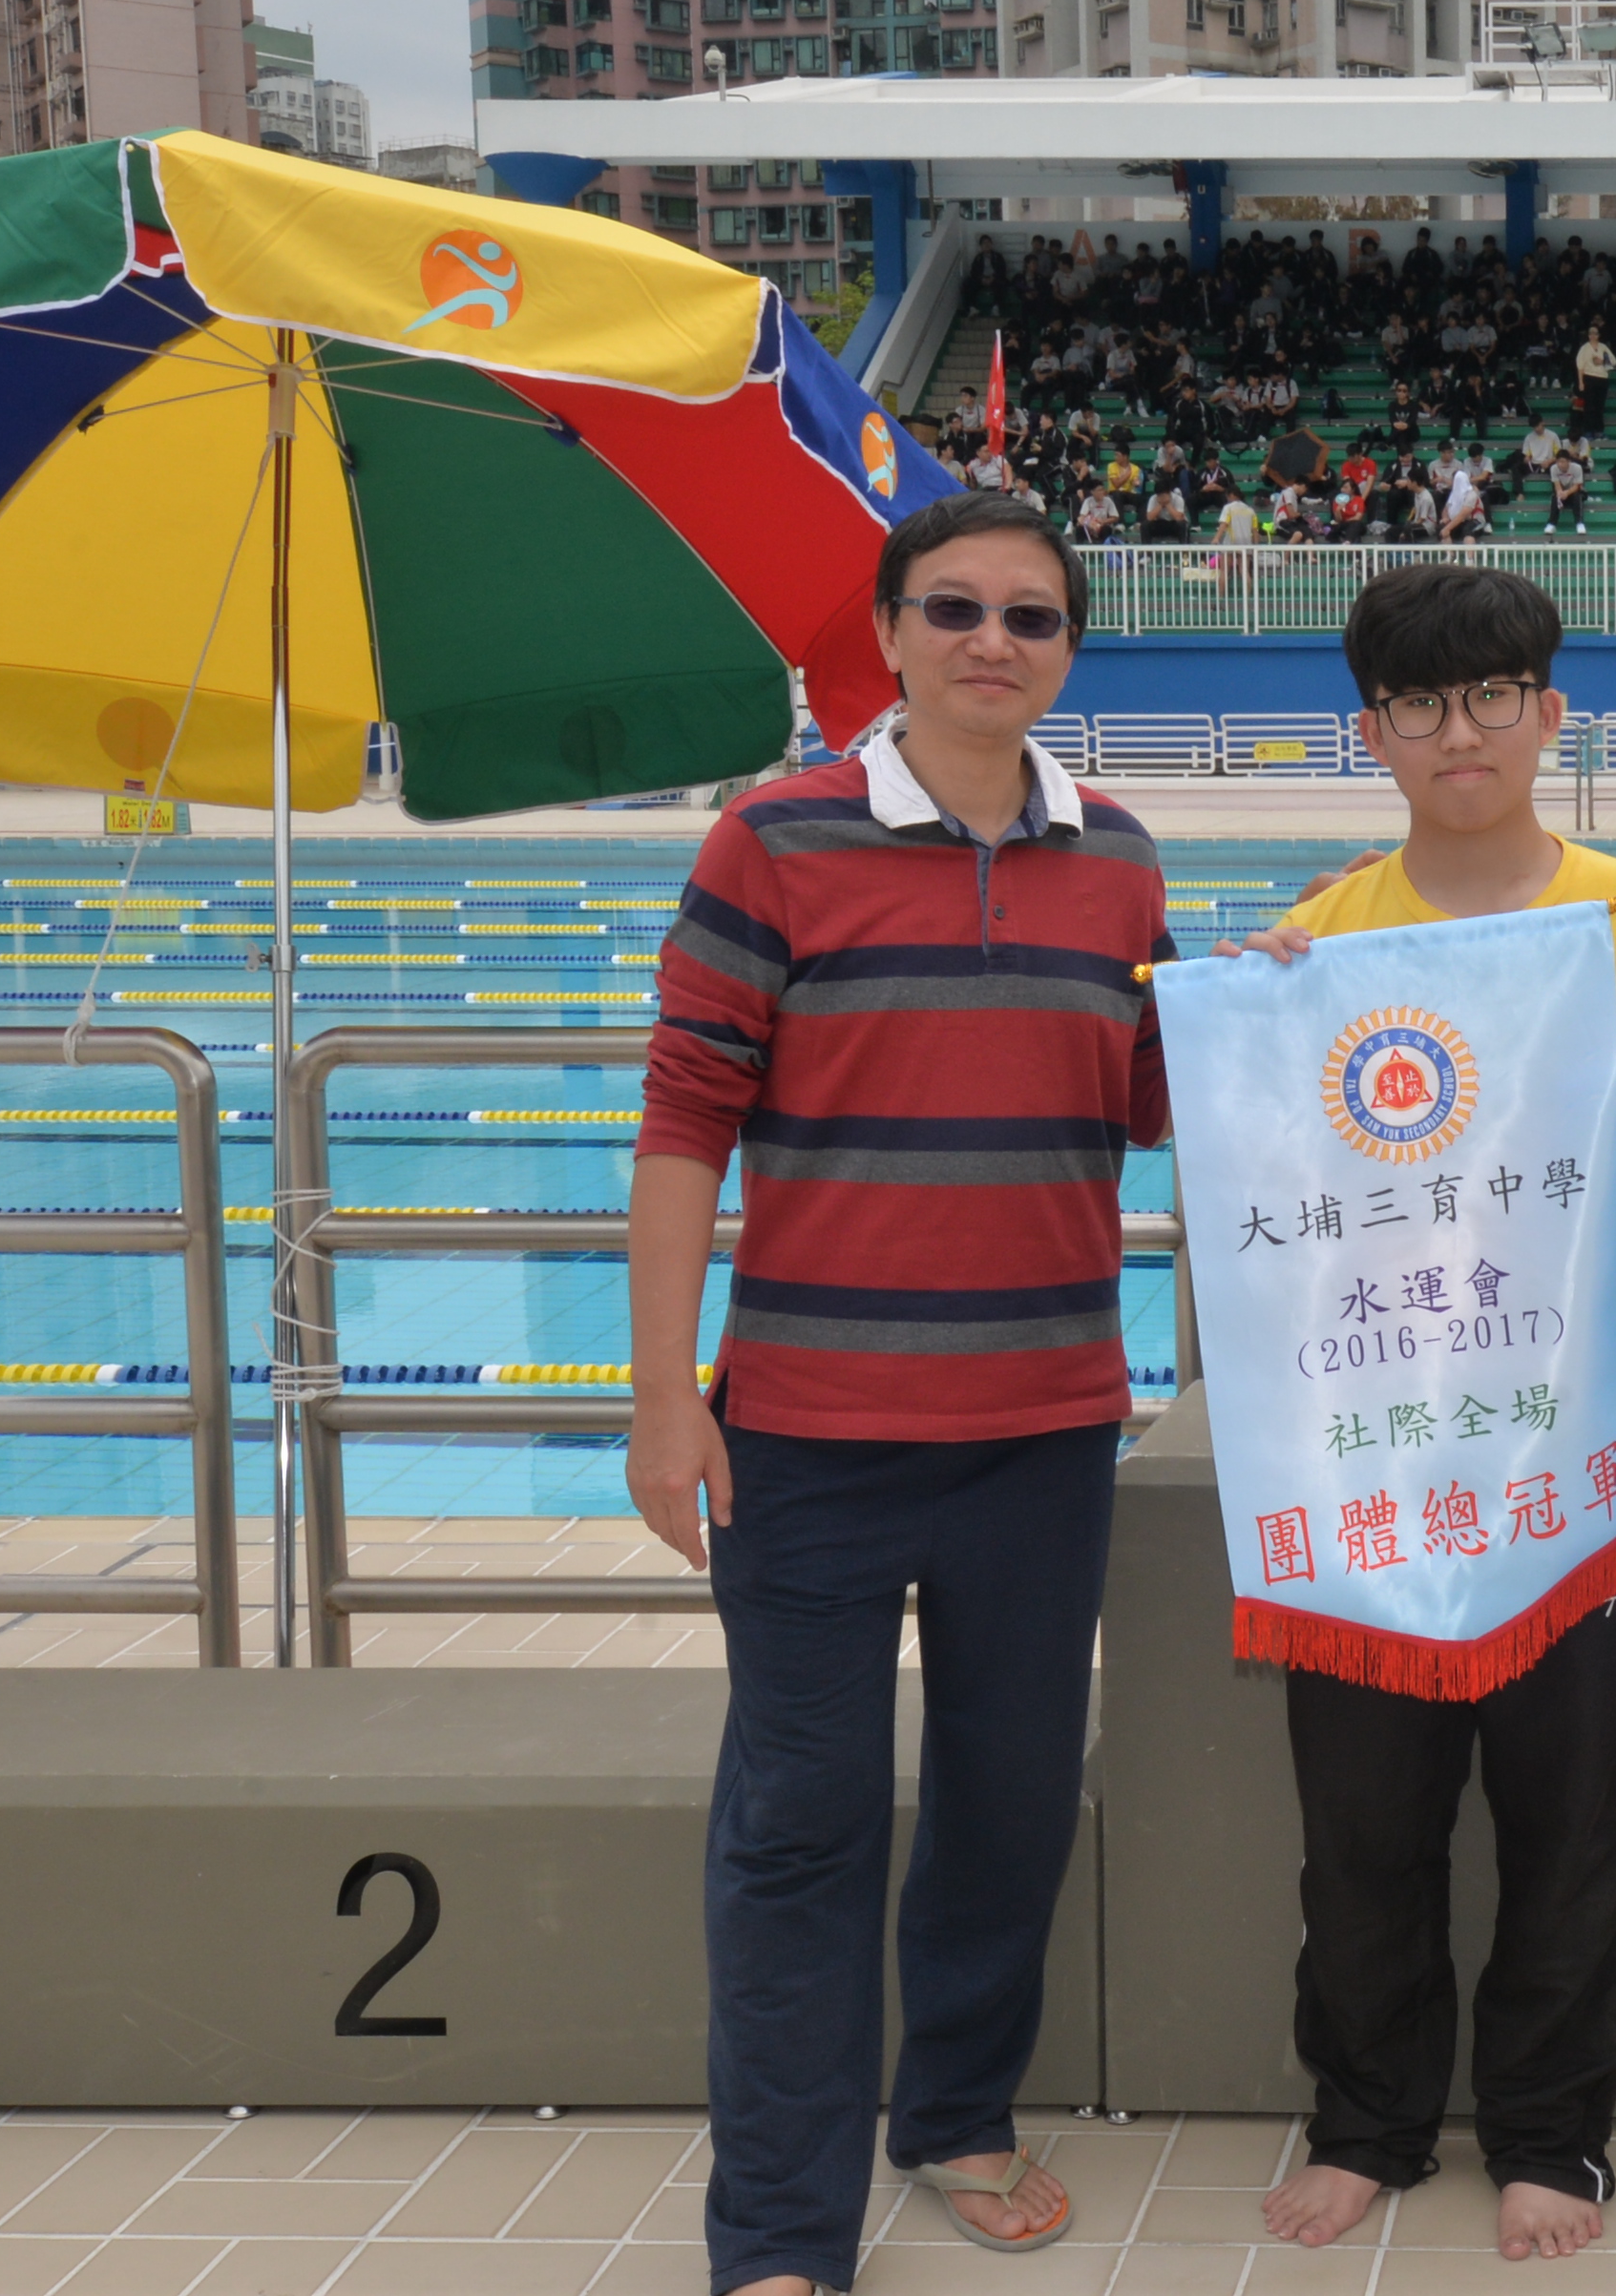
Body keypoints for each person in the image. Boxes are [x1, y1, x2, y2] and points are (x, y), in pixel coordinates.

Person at [630, 490, 1173, 2296]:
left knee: (1010, 1808)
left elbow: (1156, 1099)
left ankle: (954, 2115)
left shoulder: (1119, 857)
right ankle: (781, 2234)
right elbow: (684, 1124)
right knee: (801, 1826)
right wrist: (662, 1400)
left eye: (1031, 616)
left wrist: (1286, 1008)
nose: (991, 642)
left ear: (1068, 651)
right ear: (885, 634)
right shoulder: (772, 842)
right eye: (954, 608)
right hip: (808, 1438)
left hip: (1044, 1433)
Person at [1218, 565, 1616, 2268]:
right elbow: (1271, 1214)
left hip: (1580, 1467)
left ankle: (1549, 2134)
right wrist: (1247, 1026)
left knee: (1574, 1821)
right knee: (1361, 1826)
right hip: (1379, 1470)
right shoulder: (1320, 939)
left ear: (1550, 713)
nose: (1462, 732)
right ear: (1371, 733)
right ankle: (1366, 2122)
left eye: (1495, 695)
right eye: (1422, 704)